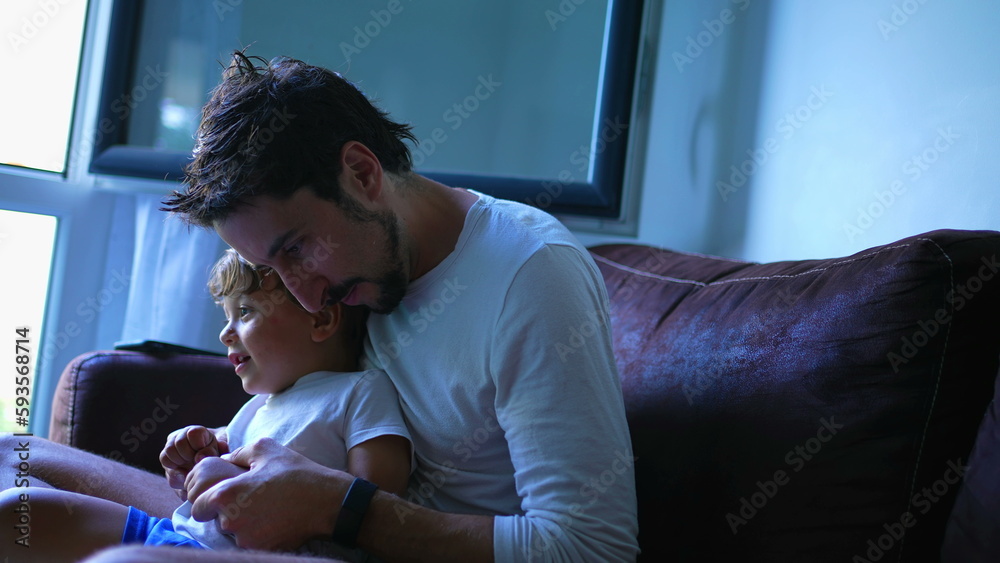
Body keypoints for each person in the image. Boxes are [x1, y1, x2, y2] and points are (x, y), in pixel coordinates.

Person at [13, 50, 638, 563]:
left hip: (364, 546)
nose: (306, 295)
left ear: (362, 173)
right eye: (273, 271)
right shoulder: (364, 266)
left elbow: (591, 548)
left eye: (298, 249)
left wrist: (339, 508)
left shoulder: (530, 275)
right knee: (18, 463)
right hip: (288, 522)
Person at [0, 248, 411, 562]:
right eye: (226, 315)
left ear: (321, 320)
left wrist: (234, 481)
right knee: (20, 511)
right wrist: (194, 463)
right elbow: (210, 484)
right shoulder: (261, 405)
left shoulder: (360, 391)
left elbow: (378, 504)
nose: (225, 334)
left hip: (228, 556)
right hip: (177, 534)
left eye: (245, 312)